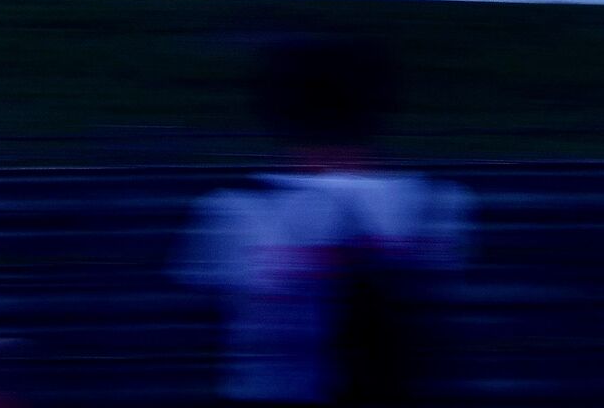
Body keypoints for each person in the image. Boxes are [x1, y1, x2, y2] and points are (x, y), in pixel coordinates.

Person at [176, 36, 470, 408]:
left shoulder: (232, 211)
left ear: (276, 111)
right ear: (383, 107)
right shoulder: (434, 204)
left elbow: (209, 337)